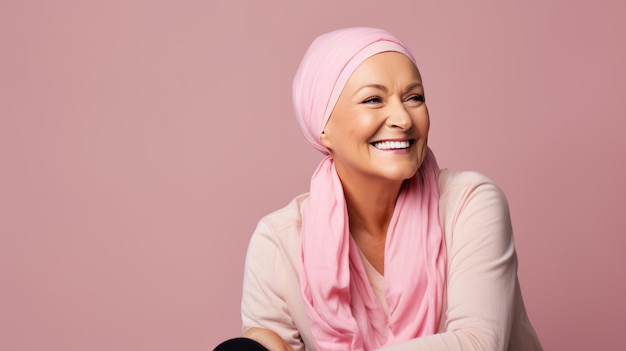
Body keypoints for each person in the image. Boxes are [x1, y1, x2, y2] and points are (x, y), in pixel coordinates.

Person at [214, 27, 543, 351]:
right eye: (373, 99)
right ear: (322, 127)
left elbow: (478, 344)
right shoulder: (279, 242)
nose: (402, 118)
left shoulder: (469, 203)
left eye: (414, 97)